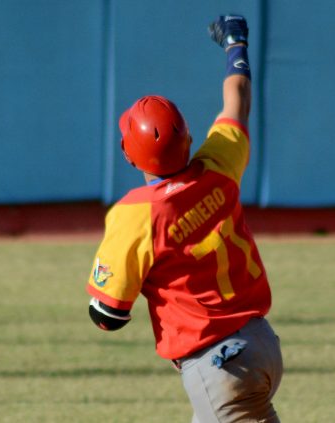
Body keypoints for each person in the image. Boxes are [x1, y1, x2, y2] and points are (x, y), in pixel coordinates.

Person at [86, 15, 283, 422]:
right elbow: (238, 97)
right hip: (261, 344)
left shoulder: (136, 214)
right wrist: (235, 44)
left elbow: (107, 315)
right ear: (189, 137)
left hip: (221, 365)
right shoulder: (219, 164)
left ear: (128, 154)